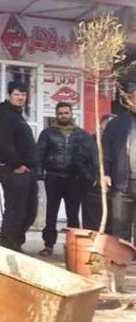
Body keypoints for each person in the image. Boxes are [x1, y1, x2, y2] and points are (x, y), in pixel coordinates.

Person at [34, 102, 97, 256]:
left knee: (73, 214)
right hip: (54, 178)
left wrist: (90, 176)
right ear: (56, 115)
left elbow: (91, 156)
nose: (63, 116)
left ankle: (73, 247)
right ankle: (48, 244)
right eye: (60, 113)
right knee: (51, 212)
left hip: (75, 179)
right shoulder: (48, 133)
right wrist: (39, 174)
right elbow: (39, 154)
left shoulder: (82, 134)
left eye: (66, 113)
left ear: (71, 114)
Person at [0, 80, 38, 252]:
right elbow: (5, 144)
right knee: (15, 211)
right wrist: (17, 165)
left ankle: (16, 243)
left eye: (23, 94)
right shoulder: (5, 116)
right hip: (14, 171)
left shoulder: (19, 116)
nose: (21, 97)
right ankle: (8, 247)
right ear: (9, 96)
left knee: (29, 211)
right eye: (17, 94)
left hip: (26, 171)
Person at [97, 89, 136, 242]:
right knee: (120, 225)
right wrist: (105, 173)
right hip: (122, 182)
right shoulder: (117, 123)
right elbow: (106, 151)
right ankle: (121, 258)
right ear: (130, 101)